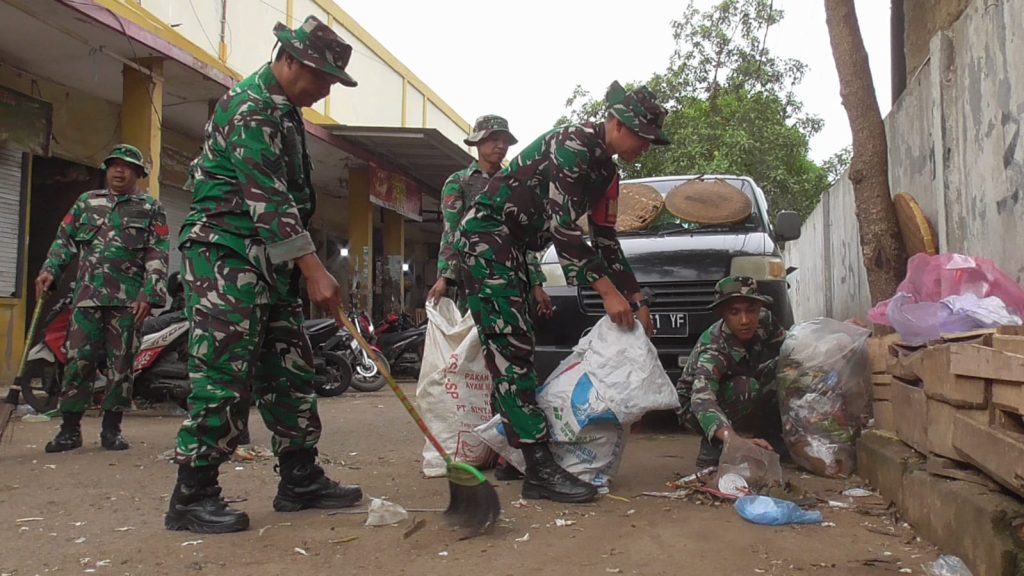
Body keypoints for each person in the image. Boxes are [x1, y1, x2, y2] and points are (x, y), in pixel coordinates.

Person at [164, 15, 362, 535]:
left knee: (290, 369)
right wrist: (314, 269)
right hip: (225, 256)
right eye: (321, 77)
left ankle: (300, 478)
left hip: (268, 260)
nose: (325, 90)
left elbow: (290, 199)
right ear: (289, 59)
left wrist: (299, 265)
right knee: (223, 375)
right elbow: (268, 198)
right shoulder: (251, 106)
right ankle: (192, 493)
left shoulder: (285, 108)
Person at [457, 81, 670, 503]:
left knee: (515, 349)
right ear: (616, 123)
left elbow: (605, 239)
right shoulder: (574, 144)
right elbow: (564, 229)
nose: (645, 147)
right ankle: (538, 469)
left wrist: (636, 297)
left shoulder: (607, 173)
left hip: (516, 247)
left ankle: (515, 456)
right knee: (512, 346)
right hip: (487, 238)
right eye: (642, 137)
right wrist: (607, 292)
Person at [36, 144, 169, 454]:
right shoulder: (87, 202)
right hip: (87, 298)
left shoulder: (150, 207)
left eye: (127, 166)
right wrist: (49, 270)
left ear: (138, 173)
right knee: (78, 362)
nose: (119, 170)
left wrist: (149, 294)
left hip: (128, 302)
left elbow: (157, 252)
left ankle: (112, 430)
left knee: (121, 366)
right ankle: (69, 430)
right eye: (114, 165)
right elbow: (64, 241)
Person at [427, 115, 550, 316]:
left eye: (506, 141)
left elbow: (523, 236)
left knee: (516, 334)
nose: (501, 146)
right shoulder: (459, 183)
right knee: (473, 334)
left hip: (513, 281)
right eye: (494, 139)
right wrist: (445, 277)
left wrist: (536, 283)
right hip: (475, 281)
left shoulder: (515, 183)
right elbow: (452, 233)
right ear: (478, 141)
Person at [676, 275, 788, 468]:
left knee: (785, 369)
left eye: (751, 310)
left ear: (760, 308)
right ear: (722, 314)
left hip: (744, 378)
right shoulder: (713, 349)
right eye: (734, 312)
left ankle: (770, 435)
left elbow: (791, 347)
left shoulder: (765, 321)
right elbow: (702, 400)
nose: (745, 320)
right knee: (746, 388)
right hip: (693, 408)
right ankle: (715, 444)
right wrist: (733, 440)